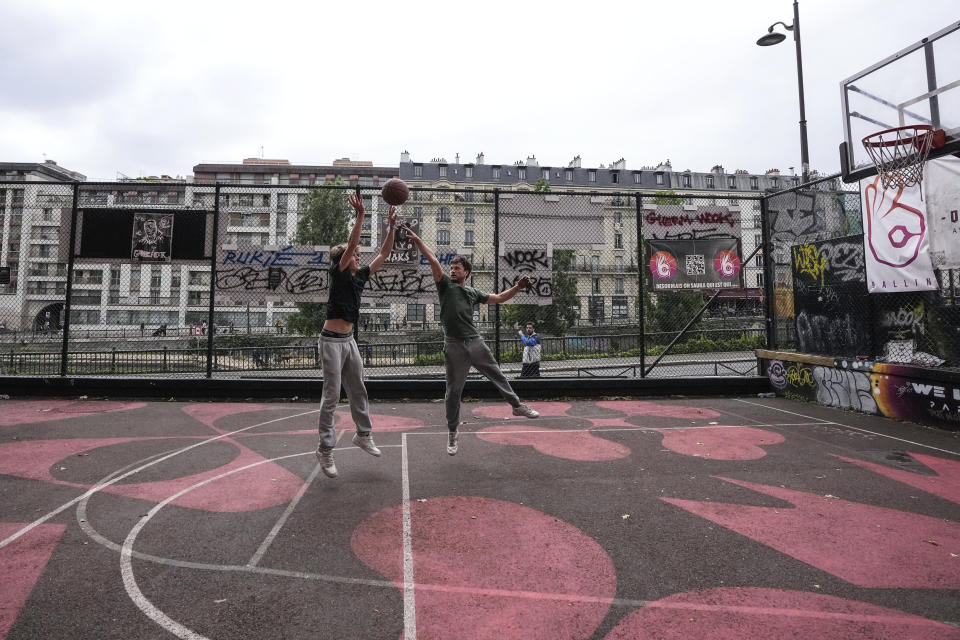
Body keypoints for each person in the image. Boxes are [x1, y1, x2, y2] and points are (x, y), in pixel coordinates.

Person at [402, 224, 539, 456]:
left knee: (497, 374)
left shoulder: (473, 292)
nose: (452, 271)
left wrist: (517, 286)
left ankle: (516, 406)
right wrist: (417, 240)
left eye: (457, 268)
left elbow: (499, 298)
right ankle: (453, 432)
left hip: (475, 341)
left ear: (466, 272)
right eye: (452, 268)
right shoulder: (444, 286)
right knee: (453, 392)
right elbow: (433, 260)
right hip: (453, 345)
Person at [315, 194, 398, 478]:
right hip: (330, 342)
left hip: (349, 342)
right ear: (345, 260)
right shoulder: (338, 272)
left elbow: (384, 254)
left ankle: (363, 434)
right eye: (355, 256)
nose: (358, 258)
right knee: (331, 397)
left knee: (358, 389)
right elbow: (351, 245)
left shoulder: (360, 276)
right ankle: (325, 449)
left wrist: (391, 227)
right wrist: (361, 215)